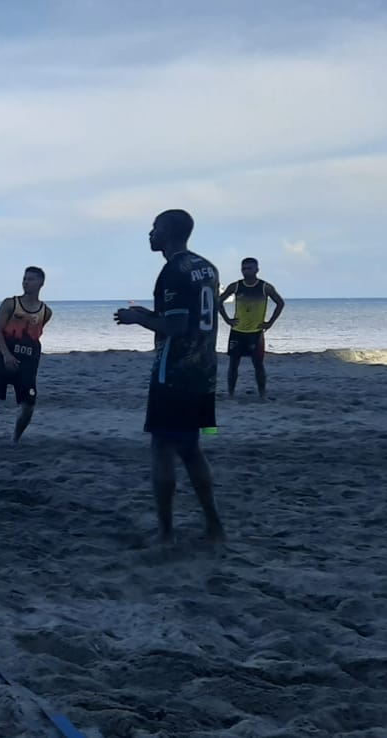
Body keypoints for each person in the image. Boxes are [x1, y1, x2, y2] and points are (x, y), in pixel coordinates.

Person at [114, 209, 225, 543]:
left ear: (169, 232)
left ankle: (165, 532)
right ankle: (213, 525)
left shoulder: (172, 271)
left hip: (174, 373)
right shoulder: (207, 267)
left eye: (155, 228)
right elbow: (189, 318)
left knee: (162, 448)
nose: (150, 233)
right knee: (191, 448)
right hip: (204, 370)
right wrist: (147, 314)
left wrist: (138, 319)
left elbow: (175, 327)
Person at [0, 267, 52, 445]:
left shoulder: (46, 311)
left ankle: (15, 439)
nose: (26, 282)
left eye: (30, 279)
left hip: (28, 363)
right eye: (24, 279)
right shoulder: (10, 304)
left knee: (28, 406)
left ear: (41, 283)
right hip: (3, 358)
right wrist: (6, 355)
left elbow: (36, 335)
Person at [216, 257, 285, 399]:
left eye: (249, 268)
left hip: (256, 333)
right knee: (233, 365)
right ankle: (231, 394)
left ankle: (262, 395)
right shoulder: (235, 286)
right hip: (237, 332)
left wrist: (270, 322)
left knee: (258, 365)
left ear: (257, 270)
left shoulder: (265, 287)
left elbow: (280, 303)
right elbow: (219, 301)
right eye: (243, 269)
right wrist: (227, 319)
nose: (245, 271)